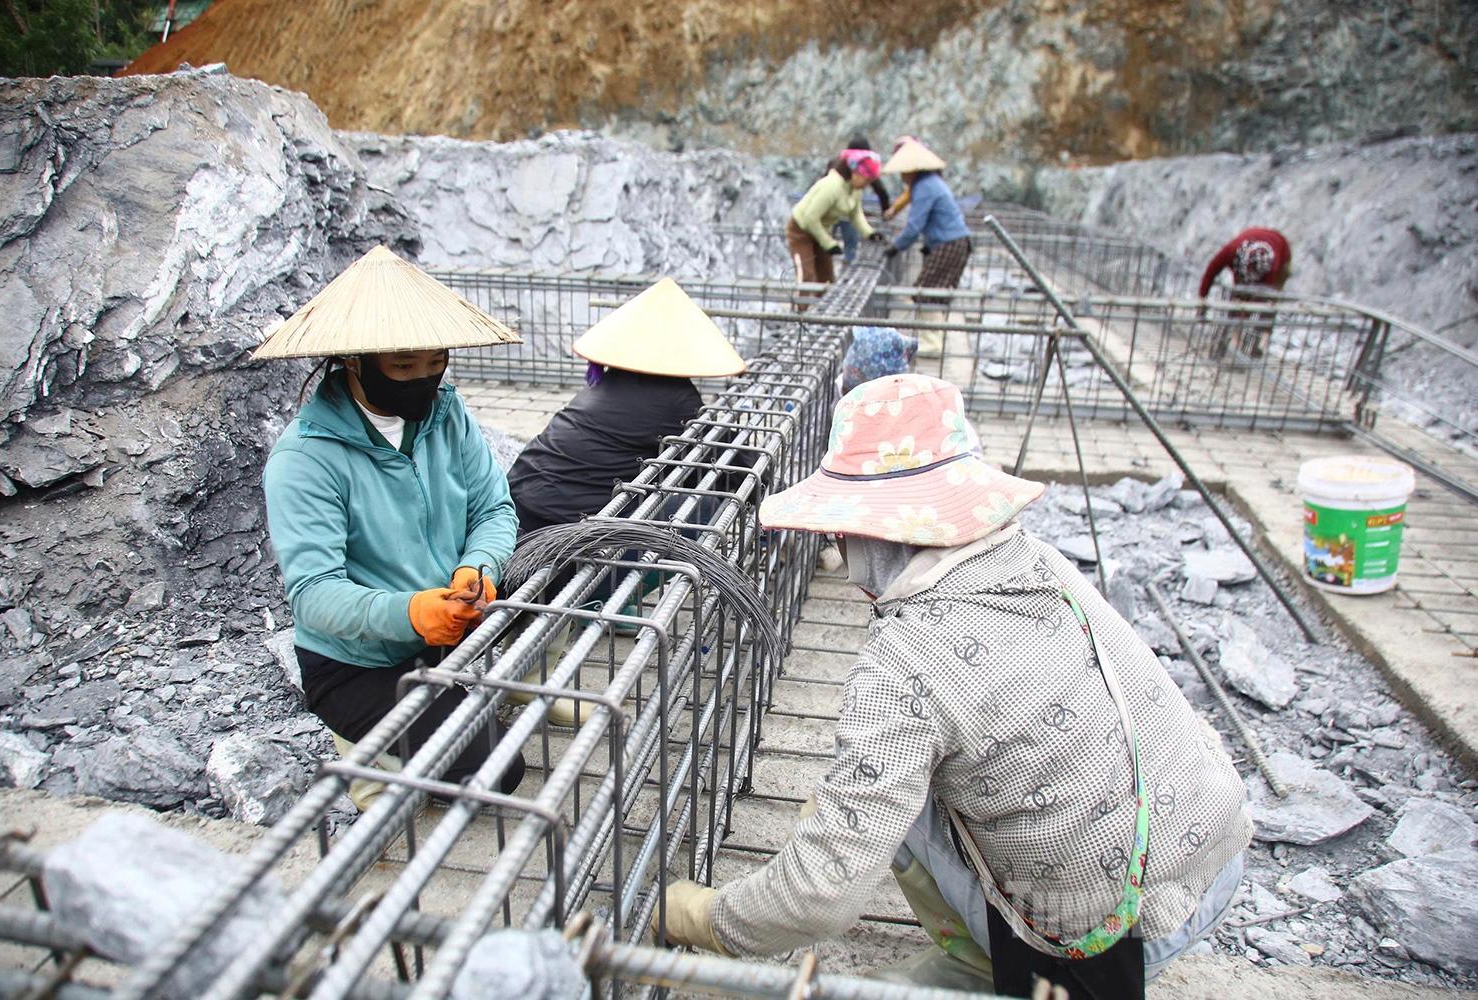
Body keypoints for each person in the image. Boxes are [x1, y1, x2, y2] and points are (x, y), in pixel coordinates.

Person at [656, 373, 1252, 1000]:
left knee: (883, 791)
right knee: (896, 775)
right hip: (1214, 853)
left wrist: (702, 917)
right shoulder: (1037, 561)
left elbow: (819, 896)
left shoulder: (905, 666)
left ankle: (989, 968)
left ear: (873, 530)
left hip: (1117, 934)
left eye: (839, 530)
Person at [258, 246, 527, 809]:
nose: (422, 382)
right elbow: (314, 596)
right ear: (354, 361)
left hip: (438, 637)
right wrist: (412, 612)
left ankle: (424, 722)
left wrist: (476, 569)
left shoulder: (446, 415)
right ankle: (362, 749)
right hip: (356, 663)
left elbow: (494, 509)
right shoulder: (306, 459)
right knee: (499, 772)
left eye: (435, 365)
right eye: (403, 368)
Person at [504, 279, 746, 723]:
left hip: (519, 501)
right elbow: (728, 461)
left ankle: (595, 612)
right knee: (704, 512)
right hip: (559, 527)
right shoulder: (677, 398)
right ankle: (532, 679)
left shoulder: (607, 384)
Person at [882, 139, 972, 357]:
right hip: (953, 241)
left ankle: (932, 343)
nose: (902, 176)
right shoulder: (929, 182)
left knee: (926, 290)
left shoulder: (925, 186)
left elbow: (914, 226)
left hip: (949, 243)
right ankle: (934, 339)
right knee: (934, 290)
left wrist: (896, 247)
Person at [787, 148, 886, 309]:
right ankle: (798, 316)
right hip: (801, 230)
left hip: (822, 231)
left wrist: (870, 233)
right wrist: (828, 243)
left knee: (826, 278)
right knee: (806, 275)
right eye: (866, 180)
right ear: (856, 172)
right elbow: (810, 218)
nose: (867, 185)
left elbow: (856, 214)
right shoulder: (831, 186)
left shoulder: (855, 190)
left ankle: (823, 313)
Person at [1198, 228, 1292, 358]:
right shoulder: (1231, 251)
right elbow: (1211, 271)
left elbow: (1263, 296)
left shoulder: (1272, 266)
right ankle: (1230, 337)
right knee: (1239, 295)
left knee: (1269, 302)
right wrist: (1202, 300)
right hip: (1251, 252)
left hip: (1281, 251)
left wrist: (1243, 316)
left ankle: (1257, 342)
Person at [829, 134, 892, 263]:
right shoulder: (864, 166)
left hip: (830, 211)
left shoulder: (835, 163)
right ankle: (847, 263)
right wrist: (885, 212)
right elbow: (881, 191)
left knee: (826, 244)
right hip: (847, 211)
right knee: (850, 245)